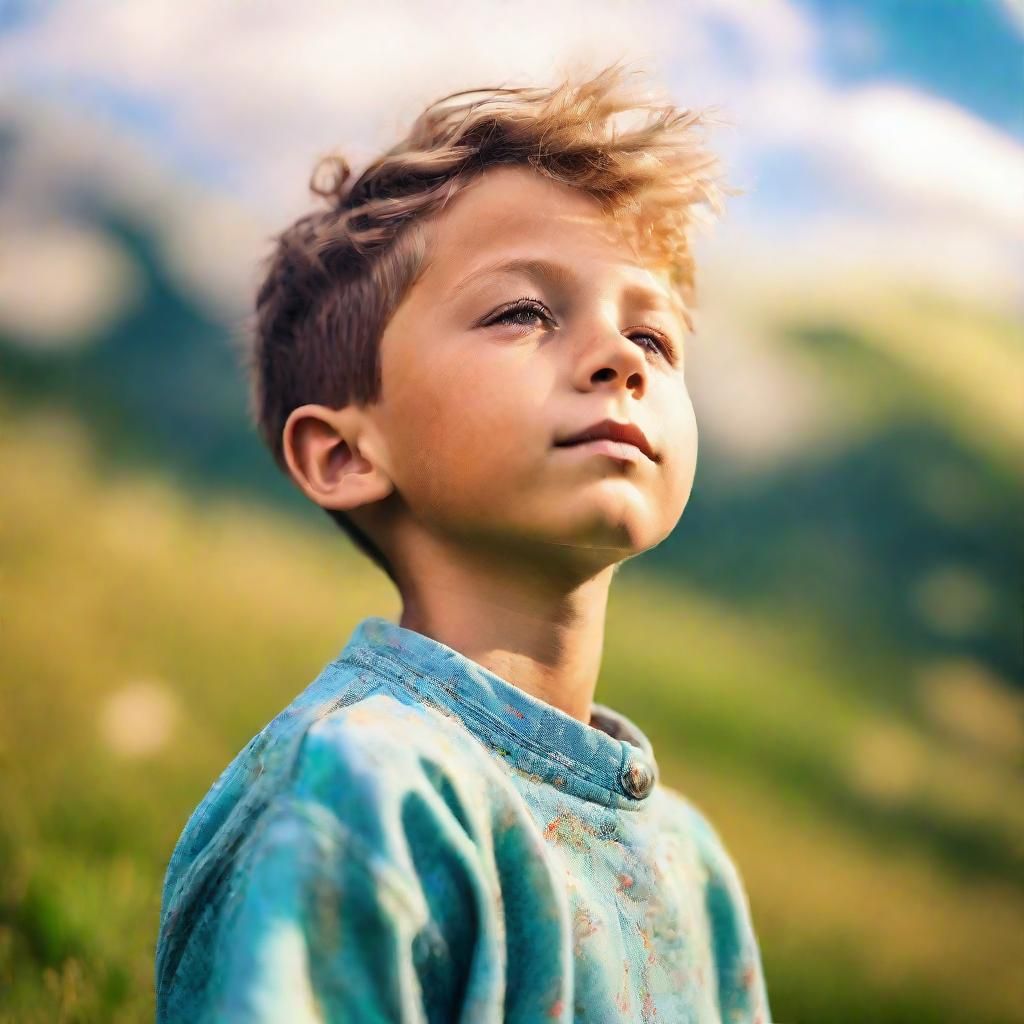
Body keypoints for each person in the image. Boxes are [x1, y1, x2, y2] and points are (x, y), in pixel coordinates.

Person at [155, 59, 771, 1023]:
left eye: (654, 339)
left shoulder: (695, 870)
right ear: (346, 454)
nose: (620, 358)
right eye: (522, 310)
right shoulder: (363, 791)